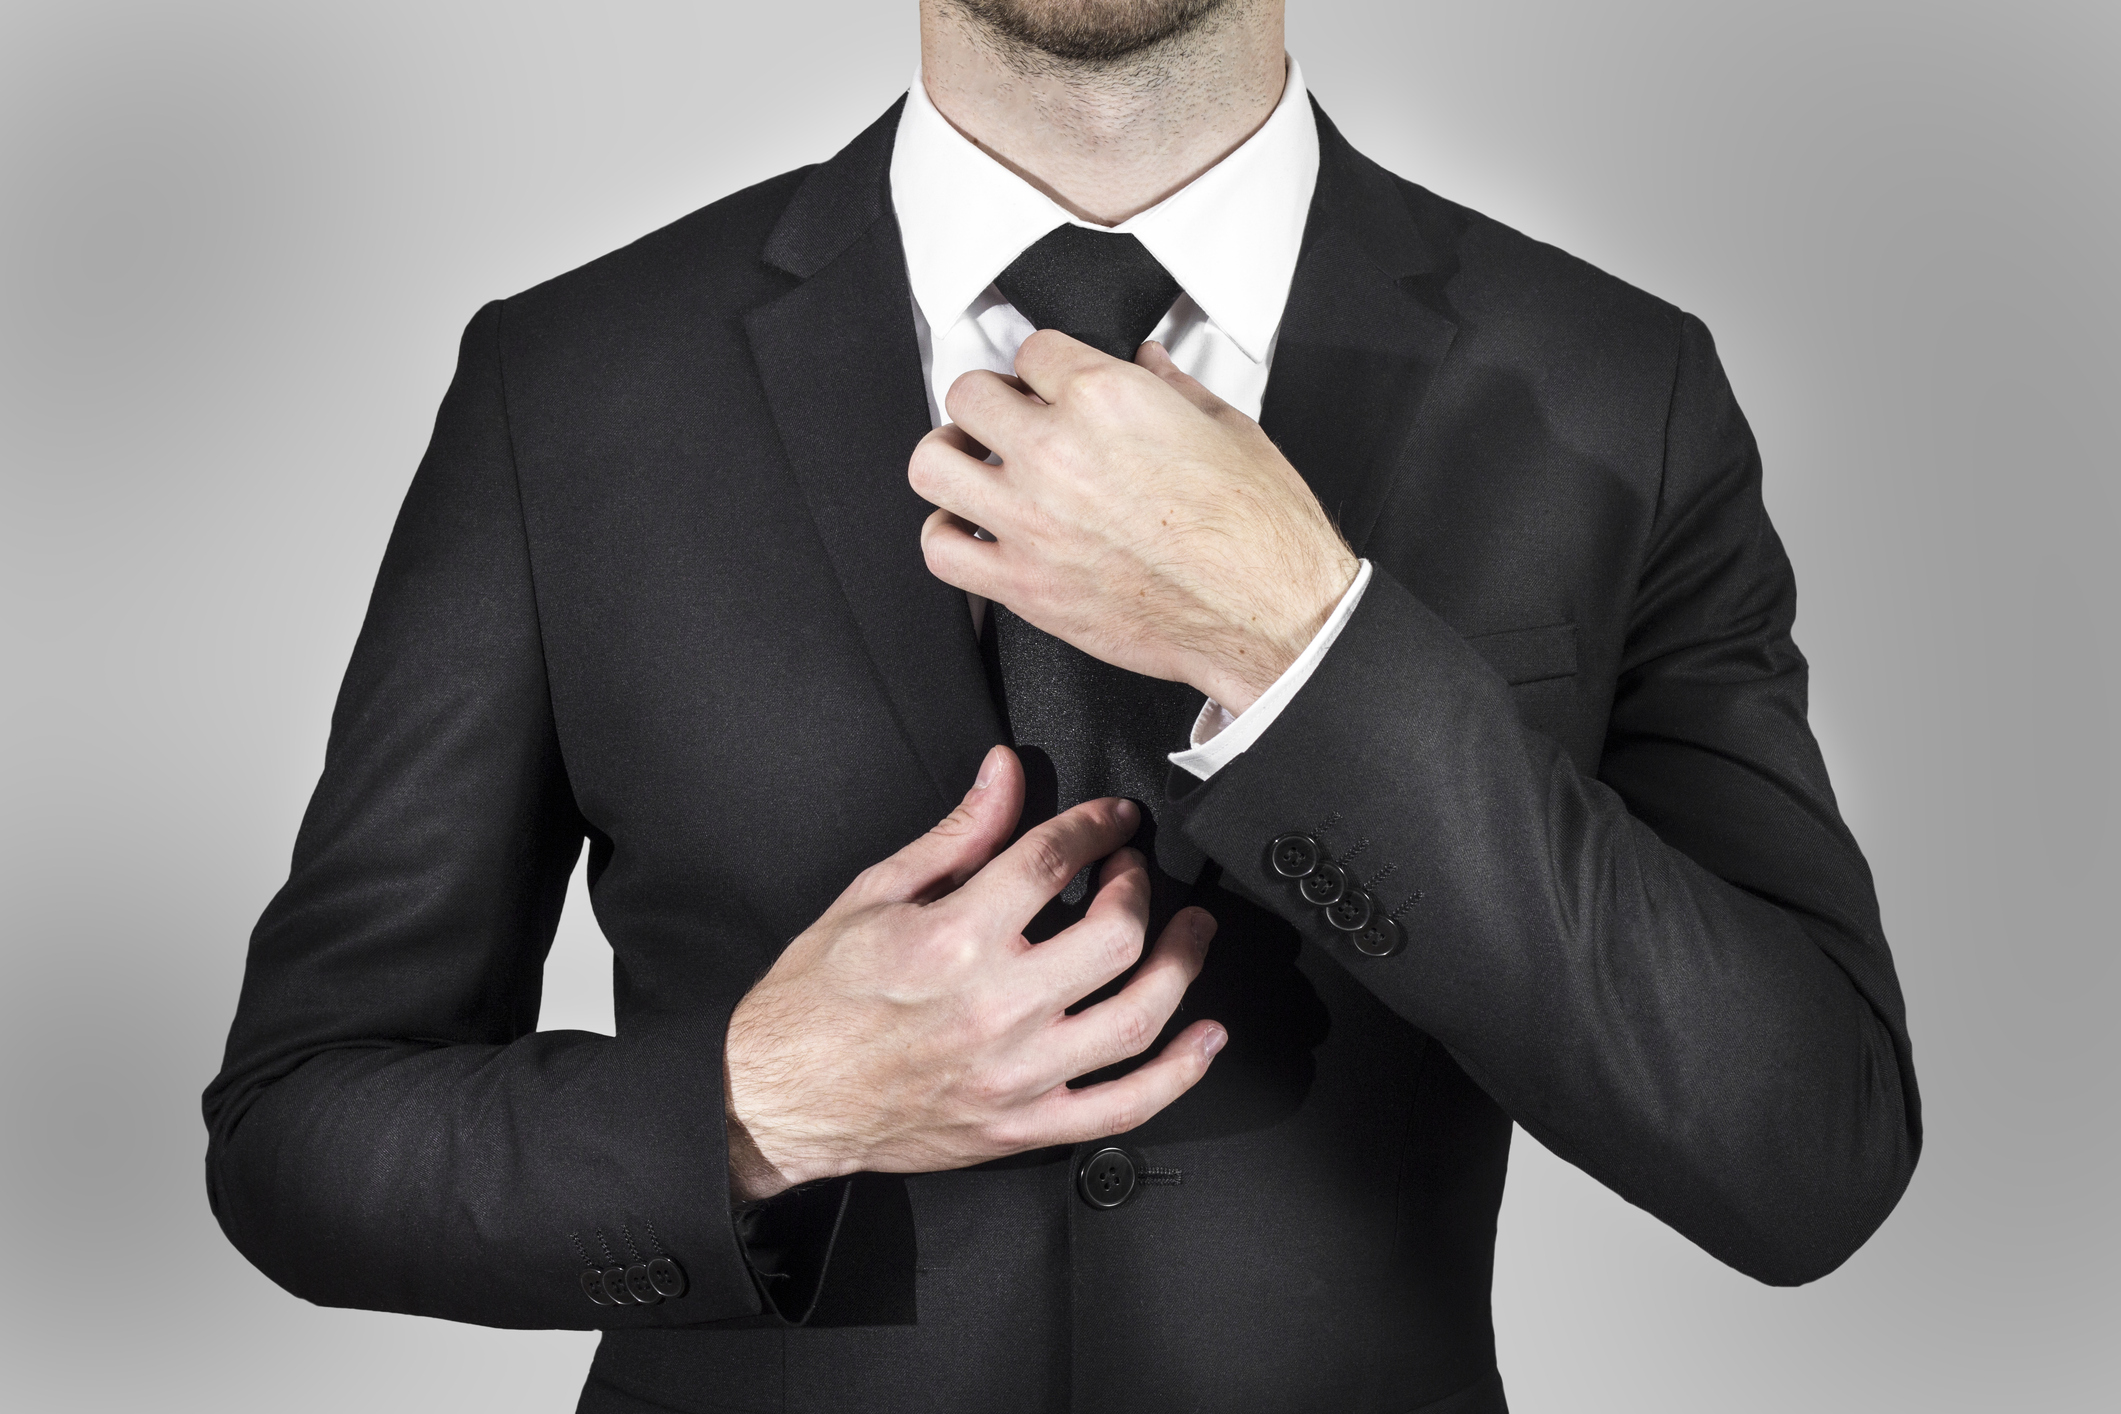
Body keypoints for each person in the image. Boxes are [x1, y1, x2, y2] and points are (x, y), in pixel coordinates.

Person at [203, 1, 1921, 1410]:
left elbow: (1805, 1150)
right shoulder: (566, 383)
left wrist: (1305, 644)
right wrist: (755, 1107)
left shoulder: (1621, 390)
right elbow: (302, 1128)